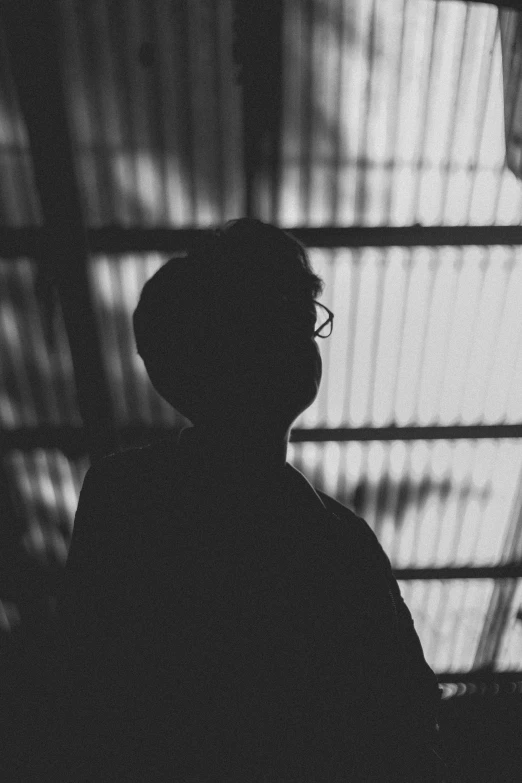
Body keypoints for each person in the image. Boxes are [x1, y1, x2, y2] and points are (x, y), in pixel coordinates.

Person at [37, 219, 445, 780]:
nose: (295, 336)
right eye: (272, 316)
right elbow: (410, 716)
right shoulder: (342, 539)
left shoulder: (129, 495)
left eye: (301, 317)